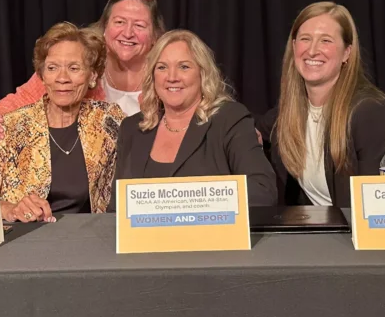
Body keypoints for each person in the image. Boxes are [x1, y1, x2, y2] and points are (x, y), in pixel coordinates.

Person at [256, 1, 385, 208]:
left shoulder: (371, 112)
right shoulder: (287, 115)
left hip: (367, 235)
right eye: (305, 39)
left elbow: (383, 208)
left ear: (347, 52)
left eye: (325, 41)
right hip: (322, 234)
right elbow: (250, 133)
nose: (312, 51)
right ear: (293, 47)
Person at [0, 23, 125, 221]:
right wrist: (8, 209)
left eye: (74, 68)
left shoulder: (108, 120)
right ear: (42, 76)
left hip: (88, 240)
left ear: (92, 76)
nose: (62, 78)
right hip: (23, 240)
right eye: (52, 68)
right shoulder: (13, 125)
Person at [0, 0, 164, 148]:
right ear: (105, 28)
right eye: (120, 22)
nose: (128, 33)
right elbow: (15, 104)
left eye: (139, 26)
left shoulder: (166, 75)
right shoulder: (77, 60)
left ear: (155, 36)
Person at [109, 30, 277, 209]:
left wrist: (188, 204)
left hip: (210, 235)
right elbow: (117, 208)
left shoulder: (229, 119)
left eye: (184, 67)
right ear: (153, 76)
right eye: (162, 67)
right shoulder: (132, 128)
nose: (172, 77)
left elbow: (262, 191)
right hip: (145, 237)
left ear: (202, 73)